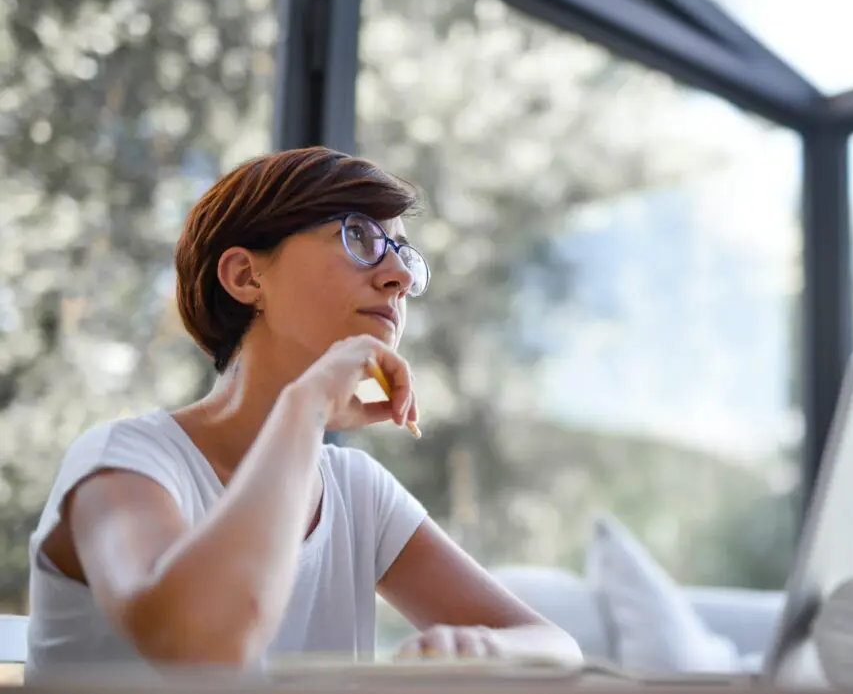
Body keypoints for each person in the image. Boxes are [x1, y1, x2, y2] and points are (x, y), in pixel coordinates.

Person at [24, 147, 582, 678]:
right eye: (359, 236)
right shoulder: (124, 462)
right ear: (246, 277)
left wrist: (480, 646)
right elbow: (203, 649)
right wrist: (306, 404)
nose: (402, 278)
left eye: (403, 254)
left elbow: (557, 648)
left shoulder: (358, 492)